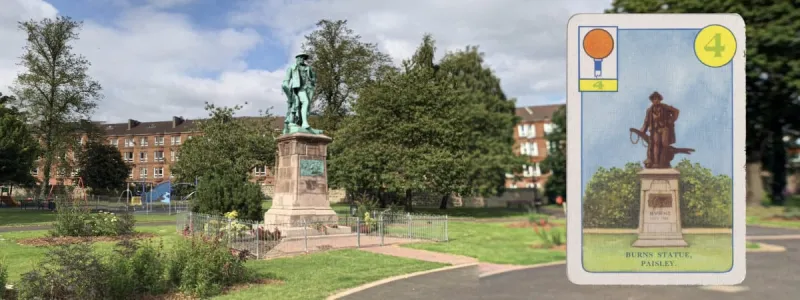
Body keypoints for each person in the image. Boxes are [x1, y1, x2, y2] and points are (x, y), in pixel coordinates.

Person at [639, 91, 680, 168]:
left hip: (664, 128)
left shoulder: (665, 107)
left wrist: (671, 120)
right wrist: (642, 130)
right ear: (652, 100)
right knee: (655, 144)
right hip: (655, 130)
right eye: (654, 99)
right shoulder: (649, 110)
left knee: (664, 144)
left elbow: (676, 111)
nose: (655, 100)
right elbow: (646, 122)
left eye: (657, 99)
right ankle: (656, 162)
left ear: (660, 100)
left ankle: (664, 161)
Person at [281, 53, 316, 134]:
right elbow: (286, 80)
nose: (302, 59)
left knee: (307, 108)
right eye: (300, 58)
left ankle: (301, 123)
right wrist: (286, 86)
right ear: (297, 59)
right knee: (305, 102)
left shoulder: (308, 68)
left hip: (308, 88)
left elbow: (313, 78)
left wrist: (312, 79)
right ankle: (304, 123)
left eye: (303, 58)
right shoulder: (292, 68)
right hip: (299, 88)